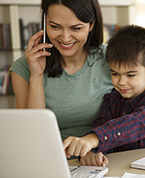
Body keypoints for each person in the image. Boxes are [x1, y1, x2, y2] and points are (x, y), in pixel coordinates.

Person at [63, 25, 145, 166]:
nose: (121, 82)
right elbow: (101, 124)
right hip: (122, 167)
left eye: (130, 75)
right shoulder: (111, 100)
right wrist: (92, 151)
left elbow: (135, 123)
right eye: (115, 73)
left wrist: (94, 139)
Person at [9, 0, 113, 143]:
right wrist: (37, 76)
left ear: (92, 25)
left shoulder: (112, 58)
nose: (65, 38)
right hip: (52, 157)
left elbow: (139, 112)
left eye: (76, 28)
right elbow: (31, 135)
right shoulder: (23, 67)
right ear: (45, 22)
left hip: (107, 155)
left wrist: (95, 145)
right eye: (55, 27)